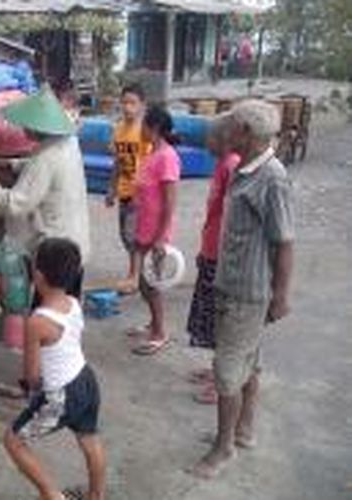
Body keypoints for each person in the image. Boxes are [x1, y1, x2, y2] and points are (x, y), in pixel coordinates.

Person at [190, 100, 294, 479]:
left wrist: (281, 295)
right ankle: (243, 431)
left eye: (231, 127)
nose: (225, 132)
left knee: (227, 372)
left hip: (247, 293)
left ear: (247, 134)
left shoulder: (272, 177)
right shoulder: (244, 169)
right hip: (232, 285)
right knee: (249, 362)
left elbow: (284, 241)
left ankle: (223, 447)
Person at [4, 238, 106, 500]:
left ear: (37, 276)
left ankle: (51, 495)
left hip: (61, 394)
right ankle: (96, 496)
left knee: (14, 441)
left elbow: (32, 375)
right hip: (86, 380)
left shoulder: (37, 321)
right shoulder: (73, 303)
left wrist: (31, 393)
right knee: (89, 440)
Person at [0, 84, 91, 298]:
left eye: (27, 124)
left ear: (38, 126)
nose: (23, 129)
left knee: (48, 314)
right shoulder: (68, 143)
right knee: (67, 311)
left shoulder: (45, 158)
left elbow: (14, 204)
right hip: (76, 243)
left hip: (56, 252)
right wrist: (11, 164)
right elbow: (42, 168)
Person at [187, 115, 241, 405]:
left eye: (210, 137)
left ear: (224, 139)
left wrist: (219, 256)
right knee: (209, 316)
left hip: (221, 256)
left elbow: (232, 217)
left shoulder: (232, 165)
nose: (206, 142)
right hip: (211, 251)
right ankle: (215, 371)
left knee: (219, 319)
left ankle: (221, 383)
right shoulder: (222, 164)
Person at [128, 106, 181, 356]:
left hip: (156, 232)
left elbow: (170, 203)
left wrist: (161, 237)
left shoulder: (168, 157)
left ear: (155, 128)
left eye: (144, 125)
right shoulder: (152, 153)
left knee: (152, 283)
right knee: (144, 282)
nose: (141, 129)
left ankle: (160, 333)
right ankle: (153, 323)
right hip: (144, 227)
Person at [105, 84, 150, 295]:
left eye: (132, 103)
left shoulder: (145, 132)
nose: (127, 107)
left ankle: (135, 276)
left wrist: (145, 193)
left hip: (140, 193)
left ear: (142, 105)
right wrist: (111, 189)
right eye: (124, 102)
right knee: (125, 236)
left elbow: (151, 164)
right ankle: (139, 272)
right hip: (124, 191)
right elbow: (118, 163)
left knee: (132, 235)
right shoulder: (118, 130)